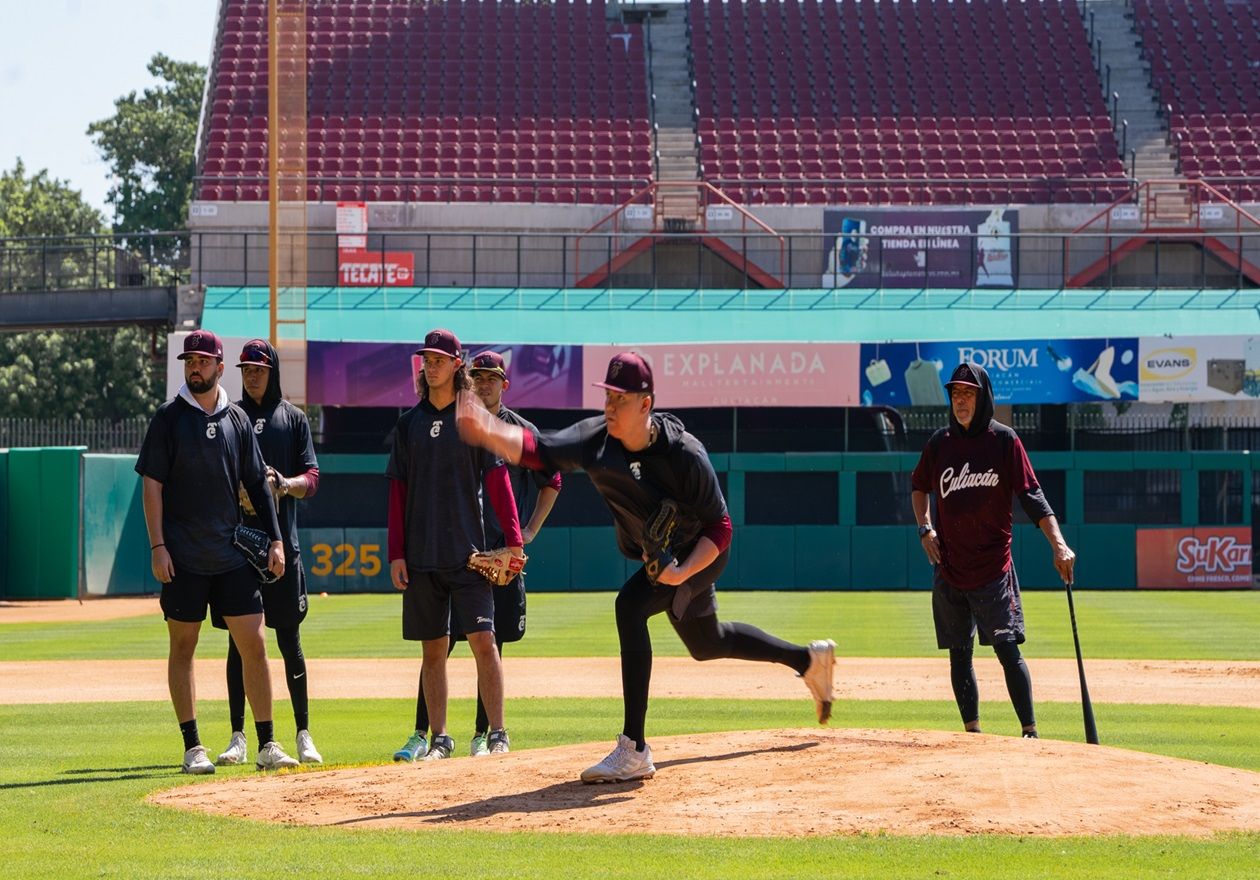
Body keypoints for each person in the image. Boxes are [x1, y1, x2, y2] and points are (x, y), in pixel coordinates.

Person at [456, 351, 837, 783]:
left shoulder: (683, 454)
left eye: (621, 399)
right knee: (707, 643)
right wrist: (487, 429)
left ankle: (634, 748)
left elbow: (722, 527)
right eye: (608, 397)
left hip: (698, 552)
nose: (610, 407)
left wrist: (682, 572)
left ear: (645, 404)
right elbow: (537, 450)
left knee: (630, 606)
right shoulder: (597, 441)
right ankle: (808, 660)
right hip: (661, 557)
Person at [135, 329, 299, 773]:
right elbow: (152, 484)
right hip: (183, 557)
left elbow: (257, 484)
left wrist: (277, 539)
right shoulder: (169, 418)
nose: (195, 367)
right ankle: (193, 747)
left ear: (220, 367)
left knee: (255, 645)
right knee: (182, 647)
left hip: (231, 555)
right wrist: (158, 546)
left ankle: (267, 743)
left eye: (204, 361)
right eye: (190, 360)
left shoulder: (237, 420)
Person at [404, 350, 563, 758]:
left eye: (493, 377)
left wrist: (527, 532)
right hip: (459, 551)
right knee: (438, 643)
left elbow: (553, 479)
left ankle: (484, 734)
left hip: (501, 555)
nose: (486, 382)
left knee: (490, 642)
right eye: (480, 375)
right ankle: (425, 733)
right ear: (469, 378)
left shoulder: (517, 431)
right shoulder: (458, 422)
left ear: (504, 384)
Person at [910, 362, 1077, 739]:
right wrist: (925, 527)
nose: (960, 401)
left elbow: (1033, 497)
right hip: (949, 568)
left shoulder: (1004, 440)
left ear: (982, 397)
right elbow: (918, 486)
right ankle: (972, 733)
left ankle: (1030, 733)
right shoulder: (939, 444)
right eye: (955, 394)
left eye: (968, 393)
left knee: (1006, 649)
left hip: (992, 571)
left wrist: (1059, 544)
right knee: (959, 654)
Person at [387, 329, 526, 762]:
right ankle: (440, 738)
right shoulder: (408, 424)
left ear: (455, 364)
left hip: (470, 554)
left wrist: (516, 541)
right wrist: (396, 552)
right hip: (423, 555)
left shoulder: (473, 419)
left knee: (485, 642)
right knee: (434, 650)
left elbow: (499, 482)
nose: (430, 365)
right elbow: (397, 491)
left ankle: (498, 732)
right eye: (426, 359)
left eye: (438, 359)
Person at [212, 339, 323, 767]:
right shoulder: (231, 417)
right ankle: (239, 736)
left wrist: (283, 484)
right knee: (240, 643)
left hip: (282, 547)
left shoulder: (291, 418)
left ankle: (302, 733)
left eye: (259, 368)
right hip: (239, 548)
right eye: (245, 368)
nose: (252, 374)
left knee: (289, 640)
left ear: (272, 370)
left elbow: (313, 477)